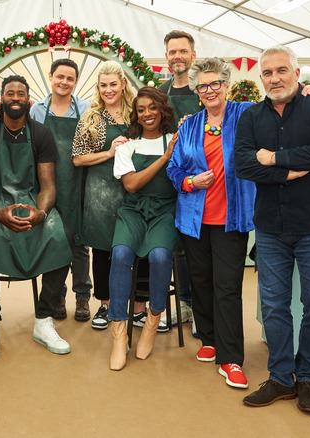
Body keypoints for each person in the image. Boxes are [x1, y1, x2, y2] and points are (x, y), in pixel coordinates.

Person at [234, 45, 310, 413]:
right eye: (267, 73)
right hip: (270, 228)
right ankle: (282, 379)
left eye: (282, 70)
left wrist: (276, 158)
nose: (275, 78)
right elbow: (244, 166)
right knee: (274, 307)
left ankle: (307, 377)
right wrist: (290, 169)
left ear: (297, 73)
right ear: (260, 78)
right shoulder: (251, 117)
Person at [166, 57, 257, 389]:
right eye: (202, 86)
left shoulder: (245, 114)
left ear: (226, 84)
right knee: (200, 281)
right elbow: (174, 169)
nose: (209, 90)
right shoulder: (189, 125)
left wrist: (306, 91)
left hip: (231, 218)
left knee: (228, 287)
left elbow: (279, 105)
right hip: (193, 218)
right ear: (196, 90)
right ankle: (209, 338)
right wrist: (190, 183)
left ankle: (231, 358)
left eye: (214, 83)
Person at [0, 75, 73, 362]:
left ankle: (44, 319)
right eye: (10, 93)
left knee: (62, 233)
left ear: (28, 100)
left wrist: (41, 213)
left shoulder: (41, 134)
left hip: (30, 200)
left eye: (21, 93)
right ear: (1, 98)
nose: (15, 97)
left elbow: (48, 184)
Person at [108, 87, 179, 371]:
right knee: (121, 254)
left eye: (153, 107)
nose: (147, 114)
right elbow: (131, 185)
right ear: (135, 115)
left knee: (160, 257)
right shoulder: (127, 146)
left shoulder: (174, 140)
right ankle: (118, 333)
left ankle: (152, 320)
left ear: (162, 110)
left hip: (165, 209)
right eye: (141, 109)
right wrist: (164, 159)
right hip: (133, 209)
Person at [72, 60, 136, 330]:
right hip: (100, 190)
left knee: (133, 246)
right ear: (98, 88)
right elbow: (77, 159)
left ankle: (137, 306)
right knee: (102, 249)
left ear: (123, 84)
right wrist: (109, 153)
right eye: (103, 85)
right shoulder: (92, 117)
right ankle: (105, 304)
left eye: (113, 84)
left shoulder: (136, 114)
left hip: (133, 186)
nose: (108, 90)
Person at [30, 58, 93, 322]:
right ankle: (56, 296)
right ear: (50, 77)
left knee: (79, 243)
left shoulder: (86, 109)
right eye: (60, 77)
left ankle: (82, 297)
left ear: (75, 82)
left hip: (78, 182)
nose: (64, 82)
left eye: (70, 78)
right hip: (46, 185)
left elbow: (92, 145)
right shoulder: (36, 110)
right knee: (53, 240)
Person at [157, 29, 200, 330]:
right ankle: (185, 304)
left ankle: (201, 307)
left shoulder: (205, 89)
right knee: (177, 248)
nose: (177, 57)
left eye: (182, 51)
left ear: (193, 55)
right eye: (172, 52)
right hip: (167, 176)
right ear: (167, 57)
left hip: (201, 178)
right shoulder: (161, 91)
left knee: (199, 244)